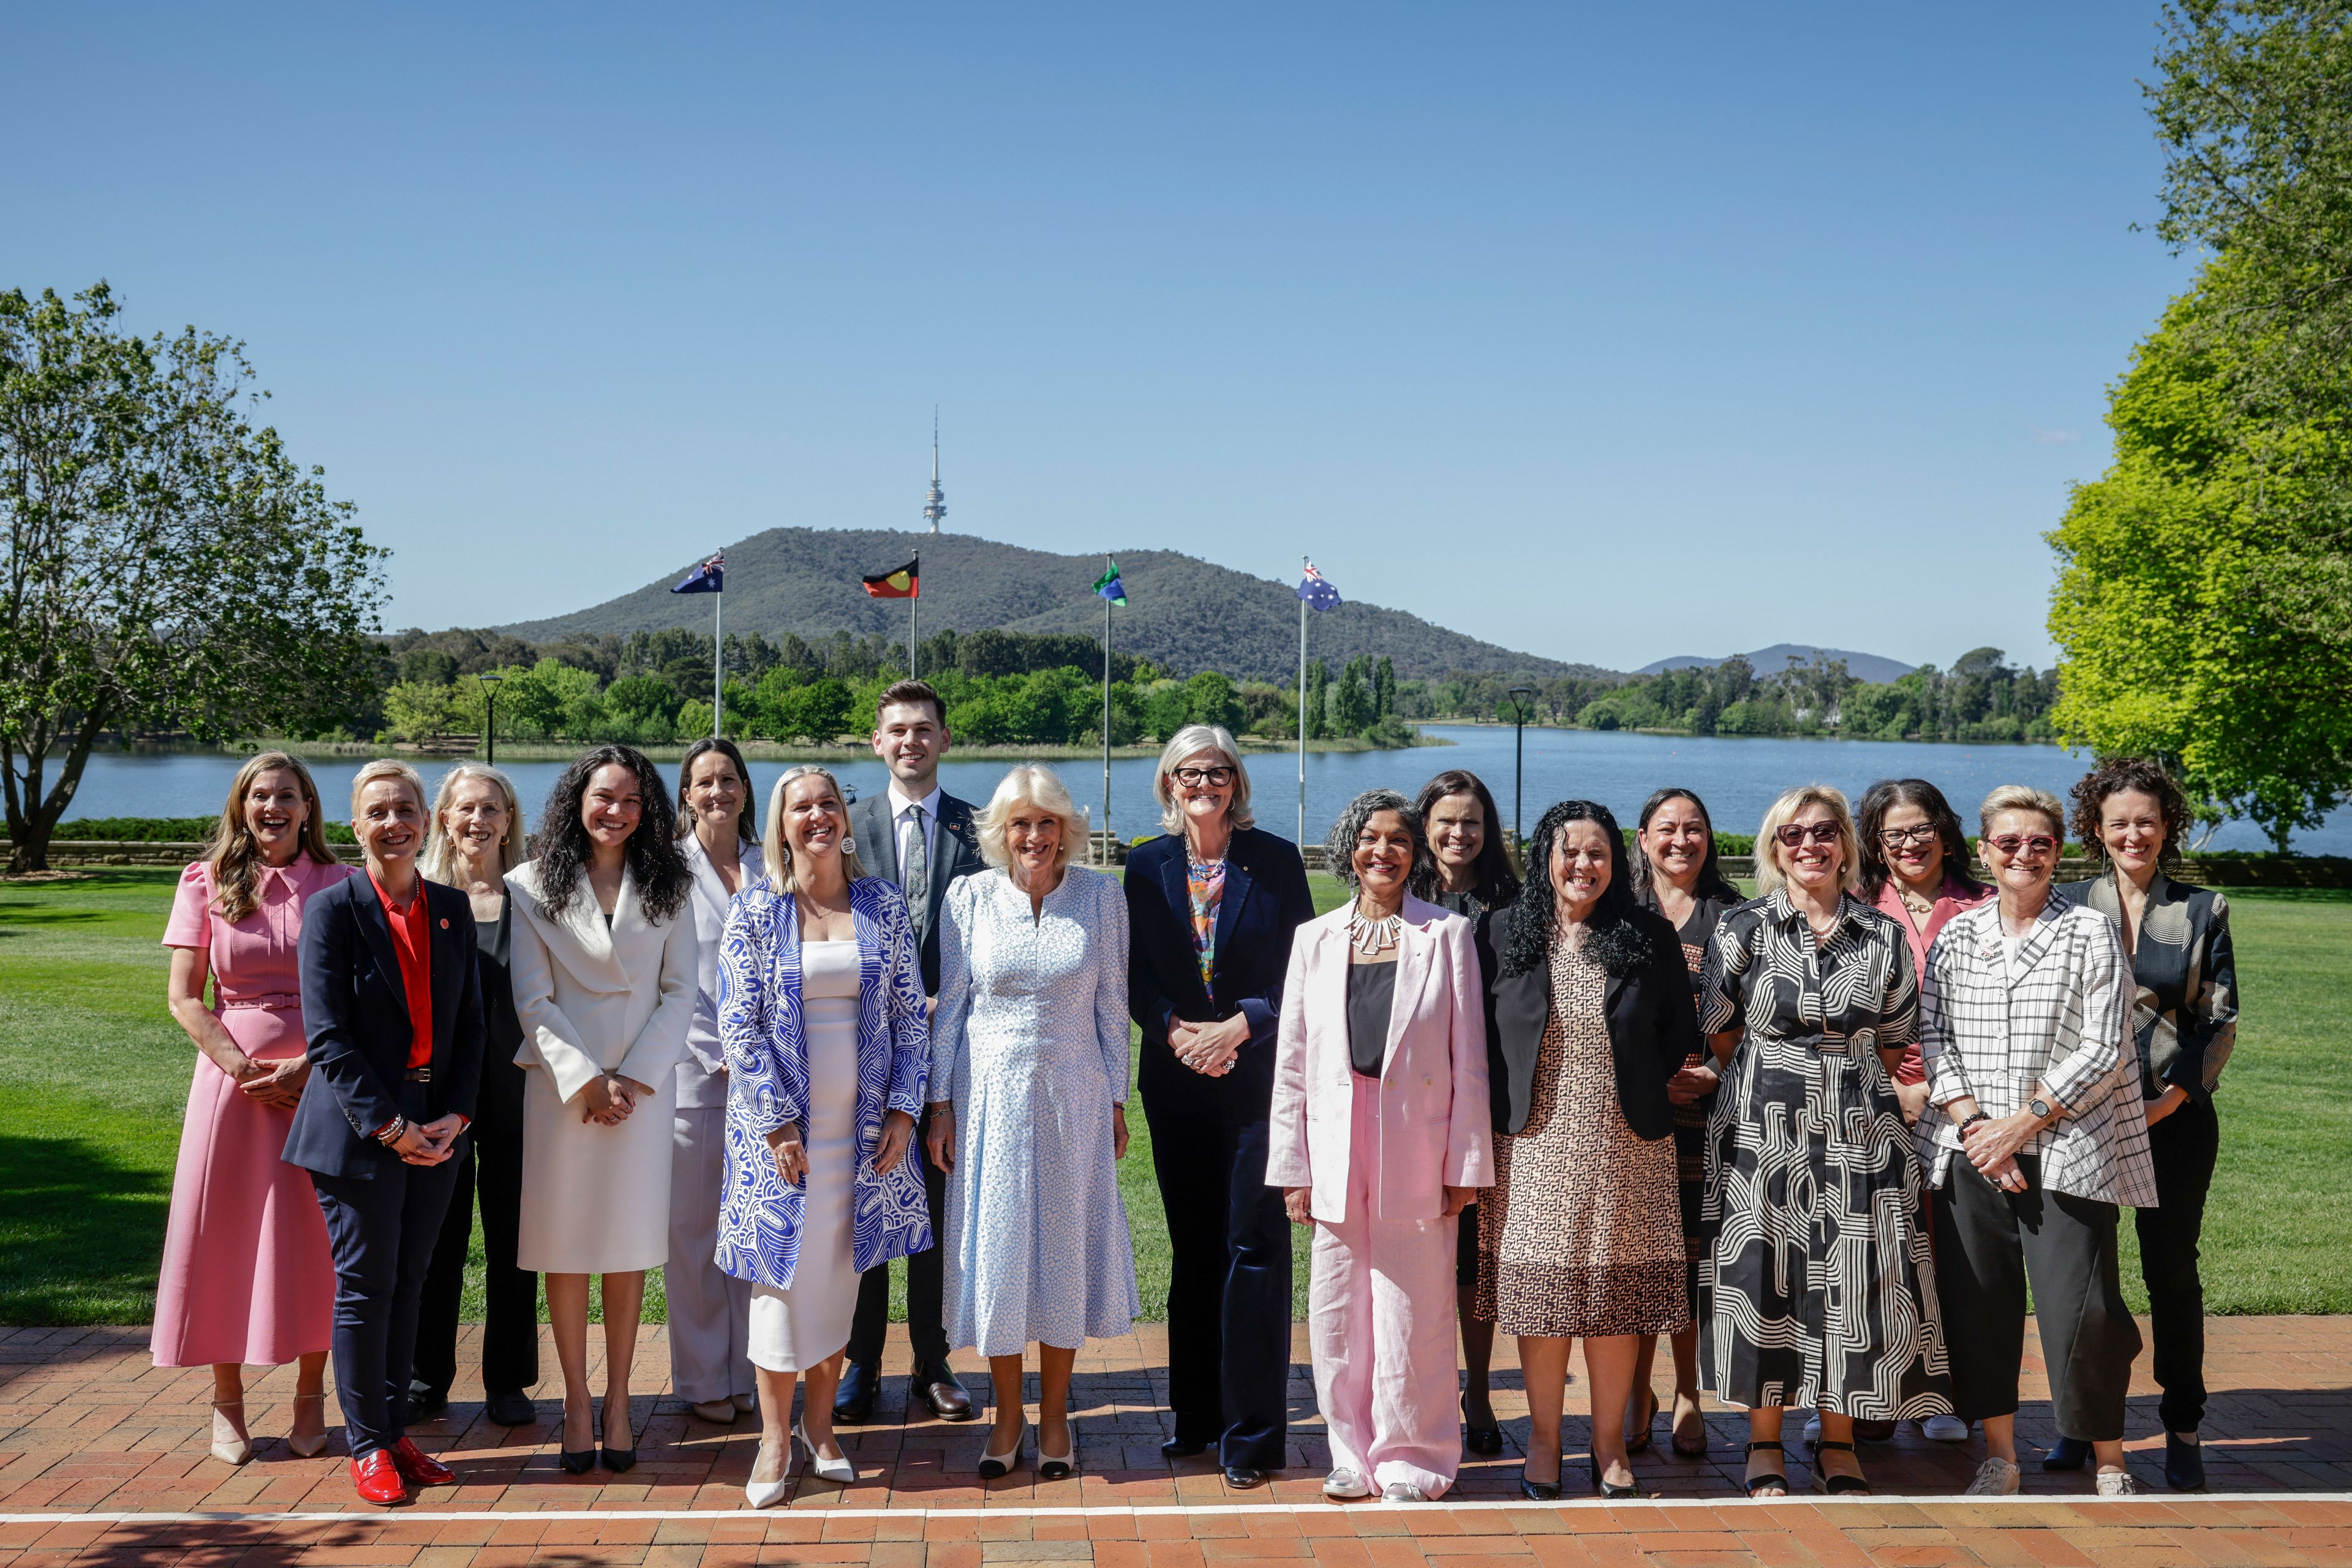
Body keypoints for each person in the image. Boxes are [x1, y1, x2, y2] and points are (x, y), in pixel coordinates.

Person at [1698, 784, 1950, 1499]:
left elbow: (1898, 1032)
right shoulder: (1744, 927)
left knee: (1854, 1282)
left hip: (1860, 1127)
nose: (1809, 845)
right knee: (1765, 1278)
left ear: (1846, 843)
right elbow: (1721, 1024)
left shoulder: (1883, 934)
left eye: (1824, 832)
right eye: (1792, 834)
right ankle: (1765, 1442)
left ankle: (1838, 1442)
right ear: (1775, 849)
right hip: (1761, 1129)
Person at [1919, 786, 2157, 1499]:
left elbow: (2106, 1046)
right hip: (1969, 1152)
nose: (2025, 854)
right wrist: (1974, 1128)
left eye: (2041, 843)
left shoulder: (2089, 930)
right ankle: (2000, 1456)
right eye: (2010, 842)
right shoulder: (1957, 934)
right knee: (1979, 1304)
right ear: (1985, 851)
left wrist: (2022, 1124)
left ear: (2060, 852)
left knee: (2082, 1310)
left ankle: (2110, 1458)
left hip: (2070, 1146)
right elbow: (1935, 1036)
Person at [717, 766, 932, 1505]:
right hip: (780, 1142)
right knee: (781, 1285)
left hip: (864, 1138)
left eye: (828, 803)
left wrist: (905, 1109)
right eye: (799, 806)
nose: (816, 815)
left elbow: (910, 1015)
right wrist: (777, 1123)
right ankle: (774, 1440)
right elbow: (736, 1025)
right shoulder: (754, 911)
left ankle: (821, 1426)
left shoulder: (881, 904)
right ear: (779, 825)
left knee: (839, 1283)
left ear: (846, 817)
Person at [1271, 790, 1491, 1503]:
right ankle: (1350, 1454)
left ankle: (1414, 1458)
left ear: (1415, 853)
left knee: (1416, 1306)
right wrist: (1292, 1167)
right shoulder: (1315, 937)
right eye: (1370, 838)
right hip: (1335, 1144)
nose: (1384, 852)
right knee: (1336, 1306)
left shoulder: (1447, 935)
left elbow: (1469, 1058)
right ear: (1350, 848)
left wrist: (1466, 1164)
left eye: (1399, 840)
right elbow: (1294, 1062)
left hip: (1417, 1145)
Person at [1476, 800, 1697, 1500]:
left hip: (1625, 1143)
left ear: (1616, 860)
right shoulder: (1504, 930)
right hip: (1531, 1145)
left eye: (1597, 851)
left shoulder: (1646, 933)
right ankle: (1544, 1440)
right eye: (1568, 850)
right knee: (1542, 1301)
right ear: (1545, 856)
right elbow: (1479, 1033)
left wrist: (1630, 1080)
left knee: (1613, 1299)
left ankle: (1607, 1446)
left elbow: (1676, 1032)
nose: (1583, 864)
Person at [926, 765, 1139, 1481]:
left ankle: (1055, 1418)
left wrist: (1117, 1099)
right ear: (1001, 831)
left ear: (1066, 829)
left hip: (1075, 1097)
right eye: (1021, 822)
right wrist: (939, 1104)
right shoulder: (969, 898)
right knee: (1001, 1251)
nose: (1035, 835)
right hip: (989, 1099)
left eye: (1047, 821)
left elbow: (1114, 1005)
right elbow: (950, 1008)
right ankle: (1007, 1415)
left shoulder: (1102, 898)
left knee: (1063, 1248)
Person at [286, 758, 483, 1507]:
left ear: (426, 820)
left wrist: (455, 1116)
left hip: (438, 1127)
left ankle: (395, 1429)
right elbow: (330, 1039)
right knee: (366, 1291)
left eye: (406, 808)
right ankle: (365, 1443)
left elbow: (471, 1025)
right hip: (358, 1133)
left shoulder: (450, 909)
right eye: (378, 811)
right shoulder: (333, 912)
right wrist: (393, 1127)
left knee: (411, 1285)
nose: (394, 822)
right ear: (356, 824)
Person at [1125, 724, 1316, 1490]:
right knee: (1195, 1249)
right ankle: (1196, 1418)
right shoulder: (1144, 865)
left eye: (1218, 771)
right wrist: (1175, 1030)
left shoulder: (1274, 861)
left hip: (1256, 1079)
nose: (1204, 783)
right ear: (1169, 783)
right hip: (1175, 1083)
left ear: (1236, 782)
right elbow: (1133, 973)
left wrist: (1240, 1025)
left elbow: (1302, 967)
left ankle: (1252, 1438)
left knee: (1255, 1248)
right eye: (1189, 772)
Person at [507, 744, 698, 1474]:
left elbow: (682, 991)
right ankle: (576, 1403)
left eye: (629, 799)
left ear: (646, 809)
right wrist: (586, 1079)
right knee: (565, 1248)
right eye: (602, 797)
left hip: (642, 1095)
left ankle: (619, 1400)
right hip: (564, 1095)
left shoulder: (671, 885)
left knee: (625, 1249)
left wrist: (634, 1079)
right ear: (575, 801)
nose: (614, 811)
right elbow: (533, 997)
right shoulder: (530, 885)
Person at [156, 752, 352, 1464]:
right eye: (259, 796)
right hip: (230, 1090)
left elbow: (360, 996)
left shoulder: (343, 883)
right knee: (225, 1239)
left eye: (287, 796)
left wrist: (312, 1063)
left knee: (317, 1241)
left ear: (309, 807)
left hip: (322, 1084)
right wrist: (240, 1065)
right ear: (241, 807)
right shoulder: (204, 881)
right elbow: (185, 995)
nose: (273, 807)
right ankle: (227, 1403)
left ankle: (310, 1395)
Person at [2058, 758, 2236, 1492]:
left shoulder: (2203, 910)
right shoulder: (2066, 905)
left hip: (2175, 1117)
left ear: (2168, 828)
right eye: (2119, 821)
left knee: (2170, 1274)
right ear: (2096, 830)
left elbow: (2219, 1021)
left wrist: (2170, 1100)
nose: (2134, 833)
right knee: (2082, 1282)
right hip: (2083, 1124)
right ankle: (2082, 1423)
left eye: (2147, 821)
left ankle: (2183, 1425)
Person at [839, 679, 980, 1425]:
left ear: (944, 740)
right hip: (862, 1049)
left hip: (953, 1050)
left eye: (924, 729)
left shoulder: (979, 827)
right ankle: (860, 1361)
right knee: (867, 1203)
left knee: (935, 1203)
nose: (910, 742)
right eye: (896, 730)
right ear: (876, 741)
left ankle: (933, 1357)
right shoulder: (845, 824)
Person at [1854, 777, 1992, 1447]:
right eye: (1894, 833)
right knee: (1877, 1255)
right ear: (1876, 844)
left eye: (1920, 829)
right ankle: (1876, 1392)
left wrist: (1936, 1091)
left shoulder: (1985, 906)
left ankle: (1951, 1393)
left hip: (1964, 1100)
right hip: (1870, 1095)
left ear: (1945, 830)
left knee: (1953, 1257)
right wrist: (1891, 1087)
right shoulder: (1856, 908)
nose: (1910, 843)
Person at [412, 763, 540, 1430]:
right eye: (465, 808)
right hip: (442, 1092)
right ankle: (425, 1375)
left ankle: (509, 1380)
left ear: (509, 819)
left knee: (515, 1240)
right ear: (444, 818)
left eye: (491, 808)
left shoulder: (534, 899)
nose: (478, 820)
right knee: (439, 1237)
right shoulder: (425, 898)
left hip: (520, 1089)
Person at [1622, 787, 1744, 1462]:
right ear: (1642, 838)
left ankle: (1689, 1391)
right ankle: (1635, 1387)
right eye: (1666, 829)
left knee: (1695, 1261)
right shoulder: (1620, 915)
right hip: (1630, 1118)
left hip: (1711, 1117)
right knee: (1639, 1256)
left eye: (1693, 828)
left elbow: (1765, 1018)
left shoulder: (1735, 918)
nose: (1680, 840)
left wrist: (1720, 1076)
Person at [1406, 769, 1520, 1461]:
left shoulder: (1512, 903)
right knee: (1419, 1251)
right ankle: (1420, 1390)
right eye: (1446, 820)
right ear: (1424, 824)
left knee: (1477, 1257)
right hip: (1410, 1104)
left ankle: (1477, 1387)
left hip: (1489, 1099)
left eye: (1472, 821)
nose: (1458, 833)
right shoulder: (1401, 896)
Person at [668, 737, 767, 1426]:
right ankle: (705, 1378)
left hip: (770, 1079)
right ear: (685, 794)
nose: (717, 791)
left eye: (728, 778)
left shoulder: (772, 863)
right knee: (696, 1230)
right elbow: (666, 978)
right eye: (704, 781)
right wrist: (720, 1050)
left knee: (753, 1227)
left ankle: (749, 1371)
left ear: (745, 788)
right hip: (696, 1074)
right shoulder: (665, 872)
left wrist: (762, 1053)